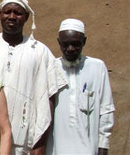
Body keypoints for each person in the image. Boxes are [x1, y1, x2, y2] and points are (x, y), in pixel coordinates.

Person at [0, 0, 67, 154]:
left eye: (17, 13)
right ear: (0, 15)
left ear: (26, 17)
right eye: (7, 12)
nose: (12, 17)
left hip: (22, 144)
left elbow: (47, 99)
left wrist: (40, 144)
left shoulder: (40, 51)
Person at [46, 19, 115, 155]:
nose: (70, 49)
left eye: (76, 44)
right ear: (59, 43)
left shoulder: (97, 67)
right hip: (55, 148)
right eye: (65, 44)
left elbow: (106, 109)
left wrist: (103, 146)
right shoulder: (51, 68)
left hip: (89, 148)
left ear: (84, 41)